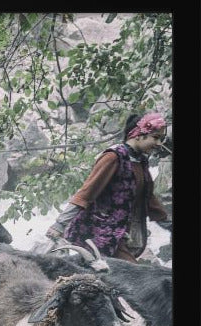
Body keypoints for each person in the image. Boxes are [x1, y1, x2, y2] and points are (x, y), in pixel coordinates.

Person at [46, 112, 171, 262]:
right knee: (129, 272)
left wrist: (169, 225)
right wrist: (59, 225)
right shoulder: (113, 157)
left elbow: (148, 199)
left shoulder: (141, 161)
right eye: (155, 137)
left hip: (118, 235)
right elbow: (87, 192)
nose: (159, 143)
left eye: (161, 139)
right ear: (138, 135)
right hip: (96, 234)